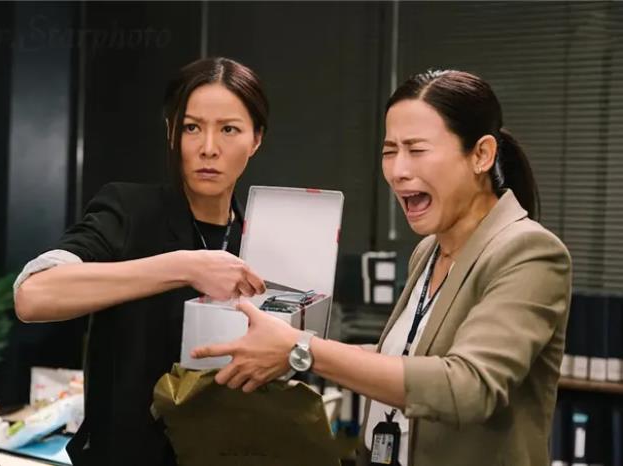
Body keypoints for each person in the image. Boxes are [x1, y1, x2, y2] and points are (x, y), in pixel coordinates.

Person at [192, 69, 573, 466]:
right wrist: (285, 349)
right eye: (390, 151)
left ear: (481, 155)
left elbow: (468, 386)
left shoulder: (528, 252)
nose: (398, 170)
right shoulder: (429, 250)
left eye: (417, 150)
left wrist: (302, 349)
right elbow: (408, 355)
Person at [13, 57, 269, 466]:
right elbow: (33, 295)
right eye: (191, 127)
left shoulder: (259, 239)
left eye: (229, 129)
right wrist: (184, 267)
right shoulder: (129, 211)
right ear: (171, 133)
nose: (208, 147)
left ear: (256, 139)